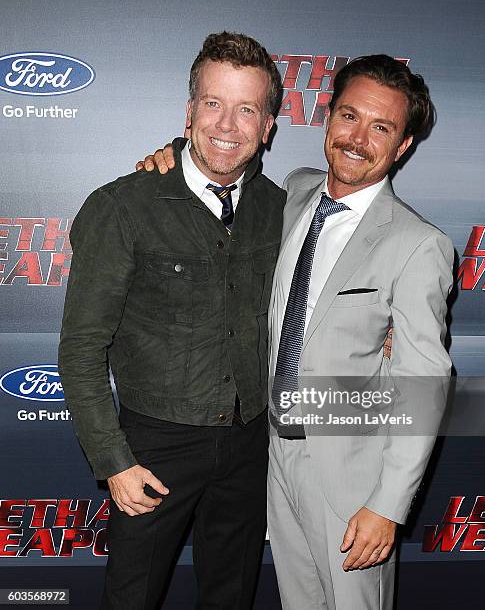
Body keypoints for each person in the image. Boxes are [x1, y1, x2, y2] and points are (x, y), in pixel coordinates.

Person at [139, 54, 453, 610]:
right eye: (349, 116)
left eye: (381, 127)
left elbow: (424, 384)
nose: (357, 139)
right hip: (271, 461)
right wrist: (173, 152)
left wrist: (387, 505)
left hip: (351, 478)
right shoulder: (295, 191)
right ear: (327, 118)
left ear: (402, 146)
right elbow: (221, 160)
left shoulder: (418, 244)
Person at [58, 32, 285, 609]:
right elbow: (82, 349)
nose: (227, 125)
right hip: (154, 448)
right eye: (213, 104)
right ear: (188, 113)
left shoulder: (282, 207)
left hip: (250, 442)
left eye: (246, 109)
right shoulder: (123, 207)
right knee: (132, 598)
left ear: (268, 125)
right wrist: (115, 464)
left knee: (231, 595)